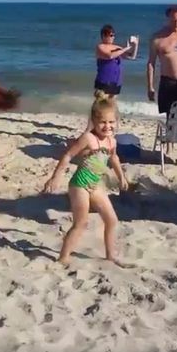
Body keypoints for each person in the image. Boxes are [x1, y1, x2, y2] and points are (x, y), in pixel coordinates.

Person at [42, 91, 130, 267]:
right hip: (79, 185)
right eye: (103, 122)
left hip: (96, 184)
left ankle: (110, 255)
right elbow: (67, 155)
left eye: (111, 122)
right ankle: (63, 257)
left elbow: (114, 158)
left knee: (111, 220)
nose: (107, 126)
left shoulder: (111, 141)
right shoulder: (88, 138)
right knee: (81, 223)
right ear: (94, 122)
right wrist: (55, 177)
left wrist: (121, 177)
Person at [84, 24, 137, 132]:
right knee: (98, 107)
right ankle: (90, 129)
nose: (112, 37)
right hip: (104, 81)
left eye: (113, 35)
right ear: (104, 36)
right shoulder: (101, 47)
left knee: (111, 107)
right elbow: (109, 56)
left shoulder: (117, 48)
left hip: (116, 82)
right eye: (110, 35)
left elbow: (132, 56)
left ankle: (107, 129)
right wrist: (125, 48)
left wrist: (134, 46)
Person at [147, 5, 177, 114]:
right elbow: (151, 63)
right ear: (168, 18)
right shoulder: (157, 38)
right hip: (169, 82)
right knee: (171, 117)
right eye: (174, 21)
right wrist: (150, 87)